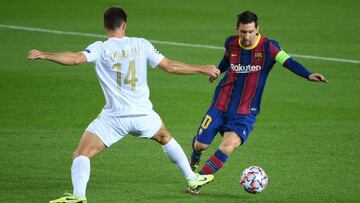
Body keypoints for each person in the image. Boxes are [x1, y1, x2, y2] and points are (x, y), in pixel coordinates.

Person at [27, 7, 220, 203]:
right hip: (143, 115)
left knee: (82, 153)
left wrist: (46, 54)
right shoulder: (141, 44)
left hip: (115, 118)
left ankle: (78, 195)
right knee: (165, 136)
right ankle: (192, 178)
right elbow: (170, 66)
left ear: (105, 26)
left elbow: (76, 59)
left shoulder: (100, 48)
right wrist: (201, 69)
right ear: (124, 25)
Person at [188, 10, 328, 193]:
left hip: (245, 111)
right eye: (243, 32)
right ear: (237, 29)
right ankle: (195, 157)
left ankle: (196, 182)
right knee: (201, 144)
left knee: (228, 146)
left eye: (251, 31)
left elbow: (288, 61)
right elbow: (226, 60)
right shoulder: (231, 43)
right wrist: (218, 71)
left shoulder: (269, 47)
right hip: (220, 104)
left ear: (257, 29)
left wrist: (308, 74)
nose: (247, 36)